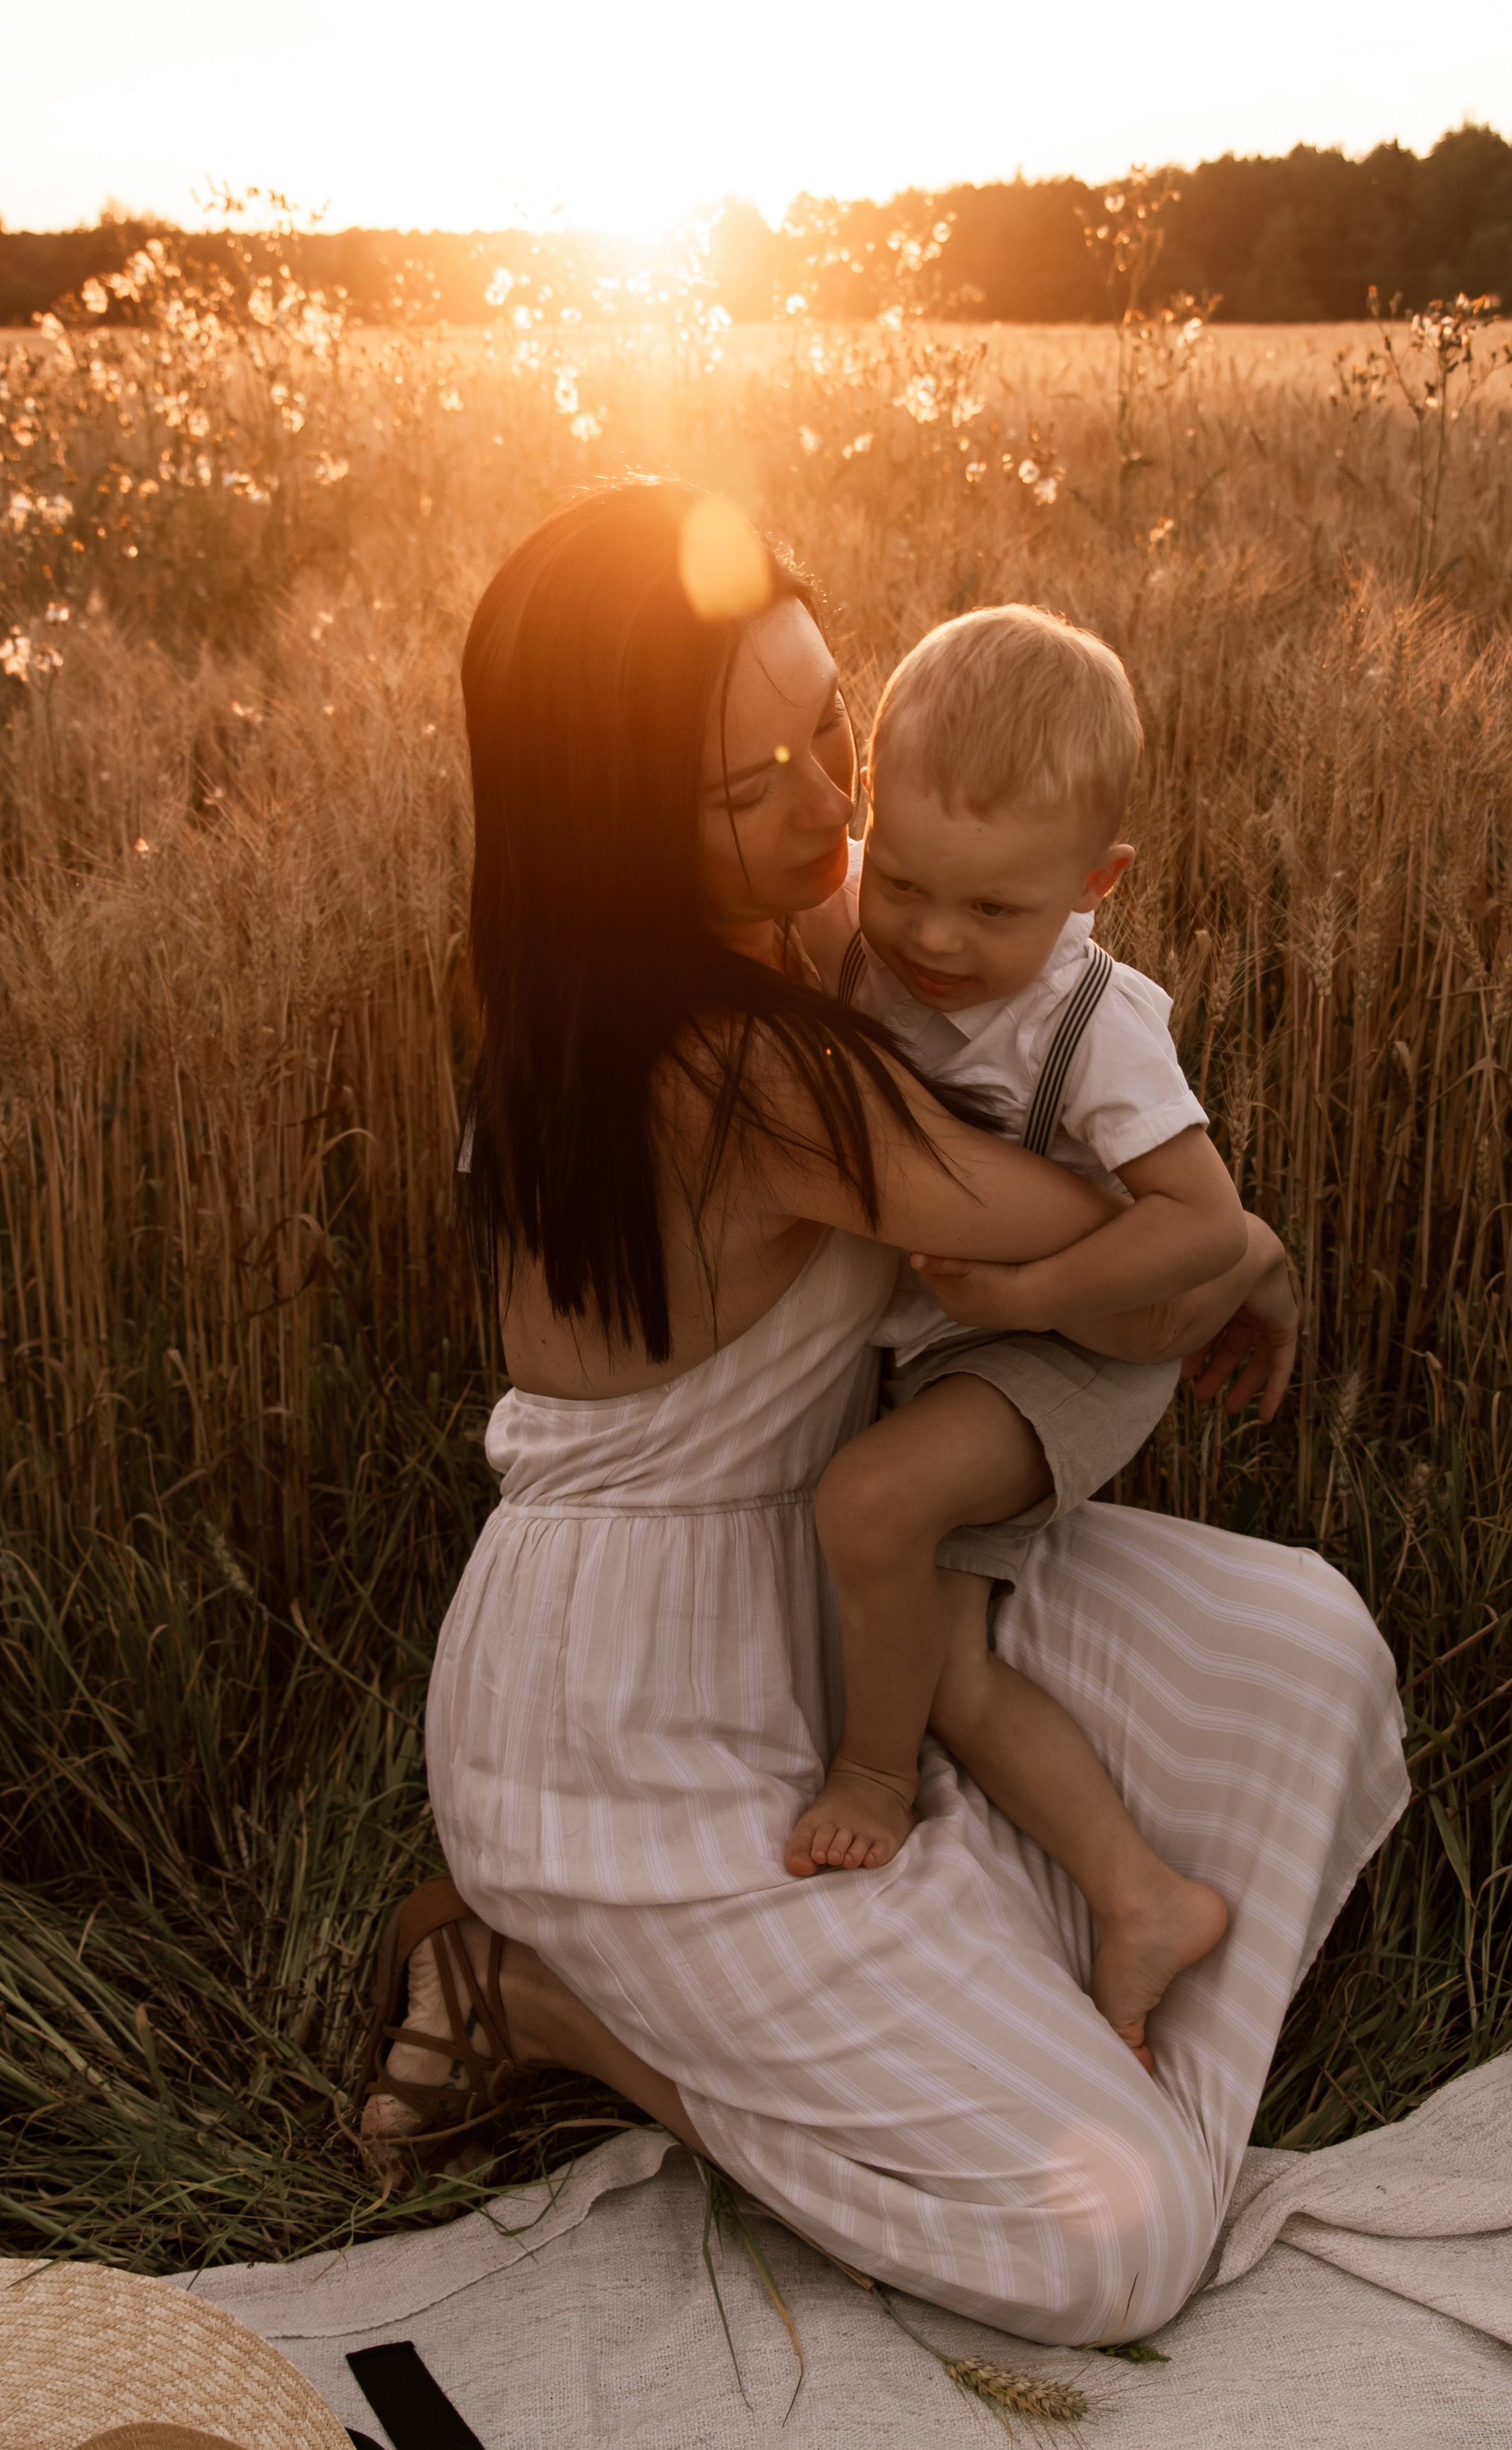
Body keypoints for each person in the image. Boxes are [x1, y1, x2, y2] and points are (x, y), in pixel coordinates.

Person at [355, 481, 1408, 2349]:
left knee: (1302, 1646)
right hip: (628, 1717)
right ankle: (538, 1994)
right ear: (614, 821)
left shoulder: (768, 937)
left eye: (829, 718)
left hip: (826, 1573)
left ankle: (934, 1985)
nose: (833, 799)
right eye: (748, 776)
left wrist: (1226, 1252)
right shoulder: (728, 1064)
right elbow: (1151, 1251)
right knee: (1123, 2241)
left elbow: (1038, 1028)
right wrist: (1246, 1248)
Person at [785, 607, 1241, 2067]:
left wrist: (1018, 1300)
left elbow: (1202, 1224)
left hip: (1073, 1340)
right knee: (957, 1667)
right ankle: (1142, 1897)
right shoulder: (870, 944)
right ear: (865, 817)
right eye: (903, 882)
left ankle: (868, 1769)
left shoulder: (1088, 1023)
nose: (930, 936)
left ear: (1092, 884)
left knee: (869, 1499)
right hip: (963, 1341)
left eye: (991, 913)